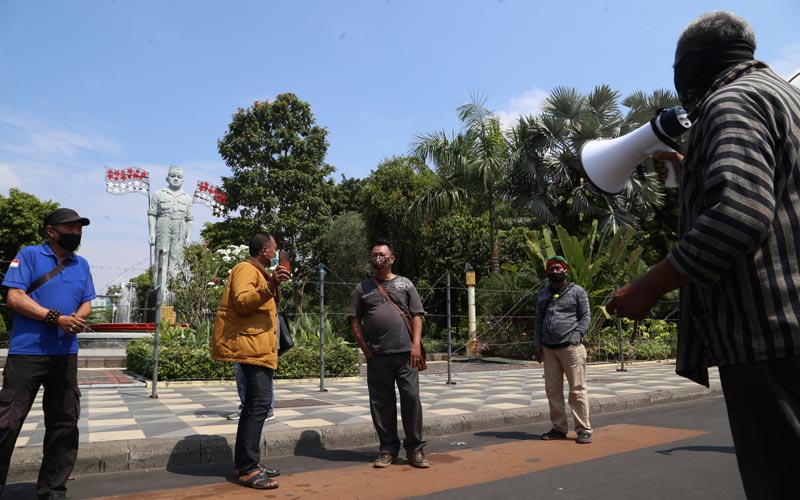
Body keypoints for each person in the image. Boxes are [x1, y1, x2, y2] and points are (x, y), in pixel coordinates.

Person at [606, 11, 800, 499]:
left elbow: (739, 213)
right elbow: (773, 198)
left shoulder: (728, 102)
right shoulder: (785, 98)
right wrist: (689, 169)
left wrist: (646, 287)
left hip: (769, 338)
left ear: (691, 67)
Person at [0, 208, 95, 500]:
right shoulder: (28, 255)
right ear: (51, 231)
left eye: (79, 229)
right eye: (69, 228)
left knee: (64, 424)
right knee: (7, 421)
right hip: (28, 352)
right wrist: (56, 318)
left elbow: (87, 302)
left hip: (65, 354)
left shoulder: (81, 264)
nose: (75, 234)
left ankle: (53, 489)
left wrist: (77, 318)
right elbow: (14, 297)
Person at [212, 232, 289, 490]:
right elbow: (243, 302)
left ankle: (246, 462)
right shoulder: (245, 268)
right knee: (259, 405)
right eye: (275, 249)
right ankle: (247, 468)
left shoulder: (260, 272)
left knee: (254, 406)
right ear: (264, 251)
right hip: (250, 348)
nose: (277, 254)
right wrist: (270, 286)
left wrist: (273, 284)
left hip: (258, 348)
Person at [349, 239, 429, 468]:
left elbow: (416, 316)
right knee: (381, 404)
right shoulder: (361, 288)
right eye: (374, 255)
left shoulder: (406, 285)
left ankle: (416, 450)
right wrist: (365, 348)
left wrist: (415, 345)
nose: (378, 258)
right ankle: (387, 449)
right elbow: (355, 320)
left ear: (392, 259)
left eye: (382, 254)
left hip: (406, 354)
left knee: (411, 400)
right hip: (377, 356)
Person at [533, 256, 592, 444]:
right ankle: (559, 428)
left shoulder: (577, 292)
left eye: (559, 268)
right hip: (549, 349)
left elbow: (585, 316)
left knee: (577, 390)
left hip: (570, 348)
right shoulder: (543, 293)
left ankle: (583, 429)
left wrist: (577, 336)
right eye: (552, 269)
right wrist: (537, 344)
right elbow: (538, 321)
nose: (555, 271)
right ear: (547, 273)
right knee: (553, 391)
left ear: (565, 271)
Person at [148, 165, 193, 285]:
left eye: (179, 177)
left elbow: (189, 219)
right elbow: (152, 214)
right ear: (167, 178)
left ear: (183, 180)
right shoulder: (159, 194)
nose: (176, 179)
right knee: (161, 254)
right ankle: (160, 286)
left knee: (177, 256)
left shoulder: (187, 198)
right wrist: (152, 233)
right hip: (163, 223)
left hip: (180, 226)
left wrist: (189, 236)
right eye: (172, 176)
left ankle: (174, 286)